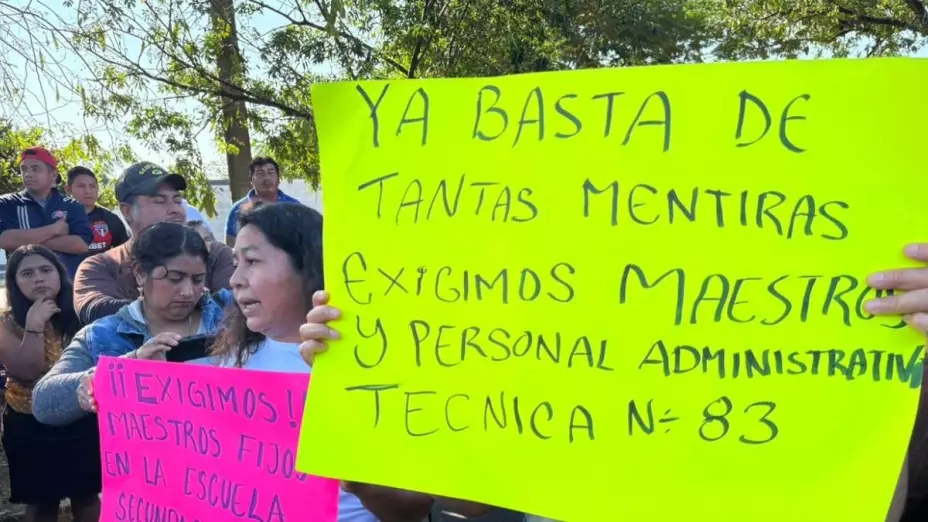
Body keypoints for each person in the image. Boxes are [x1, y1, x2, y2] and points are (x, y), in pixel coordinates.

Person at [298, 244, 928, 522]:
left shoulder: (800, 378)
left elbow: (873, 502)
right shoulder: (538, 371)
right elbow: (455, 503)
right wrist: (362, 372)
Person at [32, 222, 232, 426]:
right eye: (174, 278)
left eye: (197, 280)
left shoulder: (231, 315)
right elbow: (43, 402)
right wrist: (122, 369)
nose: (188, 292)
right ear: (140, 273)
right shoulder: (103, 335)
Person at [0, 245, 100, 522]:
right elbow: (28, 371)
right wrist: (35, 323)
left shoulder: (80, 313)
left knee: (87, 495)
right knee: (42, 501)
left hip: (80, 414)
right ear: (14, 282)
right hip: (29, 422)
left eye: (46, 270)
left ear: (59, 274)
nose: (38, 278)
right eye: (27, 274)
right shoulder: (5, 322)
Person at [73, 161, 235, 325]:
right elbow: (95, 311)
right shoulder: (101, 266)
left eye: (177, 200)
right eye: (159, 201)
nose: (175, 210)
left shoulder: (215, 255)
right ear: (127, 211)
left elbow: (235, 308)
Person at [0, 147, 91, 278]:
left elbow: (80, 245)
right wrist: (54, 229)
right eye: (24, 169)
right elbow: (5, 240)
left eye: (35, 169)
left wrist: (24, 242)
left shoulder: (72, 205)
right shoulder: (7, 203)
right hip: (23, 285)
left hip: (66, 283)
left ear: (53, 174)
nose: (28, 174)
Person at [225, 157, 299, 247]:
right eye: (260, 174)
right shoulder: (237, 210)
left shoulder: (294, 207)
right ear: (251, 180)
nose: (266, 178)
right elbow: (231, 245)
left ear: (278, 179)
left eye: (271, 173)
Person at [65, 166, 129, 257]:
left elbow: (125, 254)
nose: (88, 191)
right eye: (81, 186)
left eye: (92, 186)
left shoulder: (111, 219)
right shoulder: (56, 218)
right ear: (68, 189)